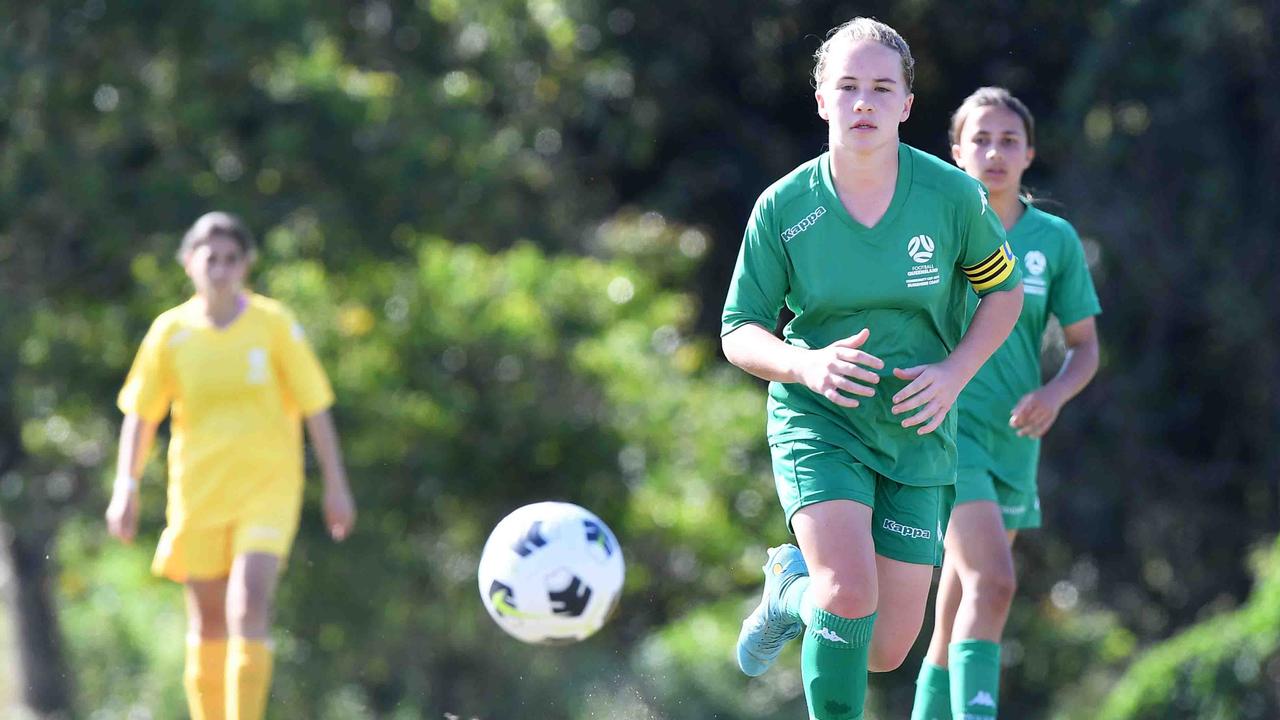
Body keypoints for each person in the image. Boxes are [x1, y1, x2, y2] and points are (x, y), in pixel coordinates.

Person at [721, 18, 1024, 720]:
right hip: (819, 421)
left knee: (885, 645)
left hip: (917, 429)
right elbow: (739, 331)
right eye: (848, 87)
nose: (864, 102)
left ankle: (788, 592)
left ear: (907, 105)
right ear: (821, 99)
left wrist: (953, 375)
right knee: (849, 594)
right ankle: (815, 591)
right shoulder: (784, 208)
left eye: (882, 88)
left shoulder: (951, 199)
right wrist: (803, 364)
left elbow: (1003, 293)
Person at [104, 212, 357, 720]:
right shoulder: (169, 333)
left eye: (230, 259)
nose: (219, 269)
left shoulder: (274, 325)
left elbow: (315, 408)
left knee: (249, 602)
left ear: (246, 265)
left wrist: (336, 484)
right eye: (209, 258)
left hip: (268, 486)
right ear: (188, 263)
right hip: (198, 491)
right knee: (209, 621)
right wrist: (125, 486)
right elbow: (140, 416)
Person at [910, 88, 1102, 720]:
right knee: (995, 583)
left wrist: (1054, 394)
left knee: (962, 605)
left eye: (1009, 141)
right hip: (946, 430)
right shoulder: (933, 225)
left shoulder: (1055, 239)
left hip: (1016, 441)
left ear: (1030, 154)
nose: (994, 152)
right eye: (981, 140)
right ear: (957, 152)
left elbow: (1084, 348)